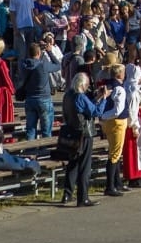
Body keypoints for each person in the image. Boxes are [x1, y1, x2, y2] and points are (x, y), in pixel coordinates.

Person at [61, 72, 107, 207]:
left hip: (71, 131)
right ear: (83, 84)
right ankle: (83, 197)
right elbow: (95, 112)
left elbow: (86, 108)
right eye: (86, 85)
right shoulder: (81, 97)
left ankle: (67, 194)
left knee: (72, 164)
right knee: (84, 166)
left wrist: (96, 98)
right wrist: (103, 98)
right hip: (84, 134)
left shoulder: (68, 95)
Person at [17, 41, 61, 140]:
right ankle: (45, 151)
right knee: (46, 131)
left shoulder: (23, 65)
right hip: (44, 99)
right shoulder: (43, 65)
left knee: (31, 130)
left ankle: (30, 151)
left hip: (29, 99)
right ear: (39, 53)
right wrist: (49, 51)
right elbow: (58, 65)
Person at [100, 62, 130, 196]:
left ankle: (117, 182)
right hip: (117, 122)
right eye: (123, 72)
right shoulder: (119, 89)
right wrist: (104, 116)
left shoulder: (108, 85)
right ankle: (110, 186)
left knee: (116, 153)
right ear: (119, 74)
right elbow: (118, 110)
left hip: (110, 122)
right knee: (114, 154)